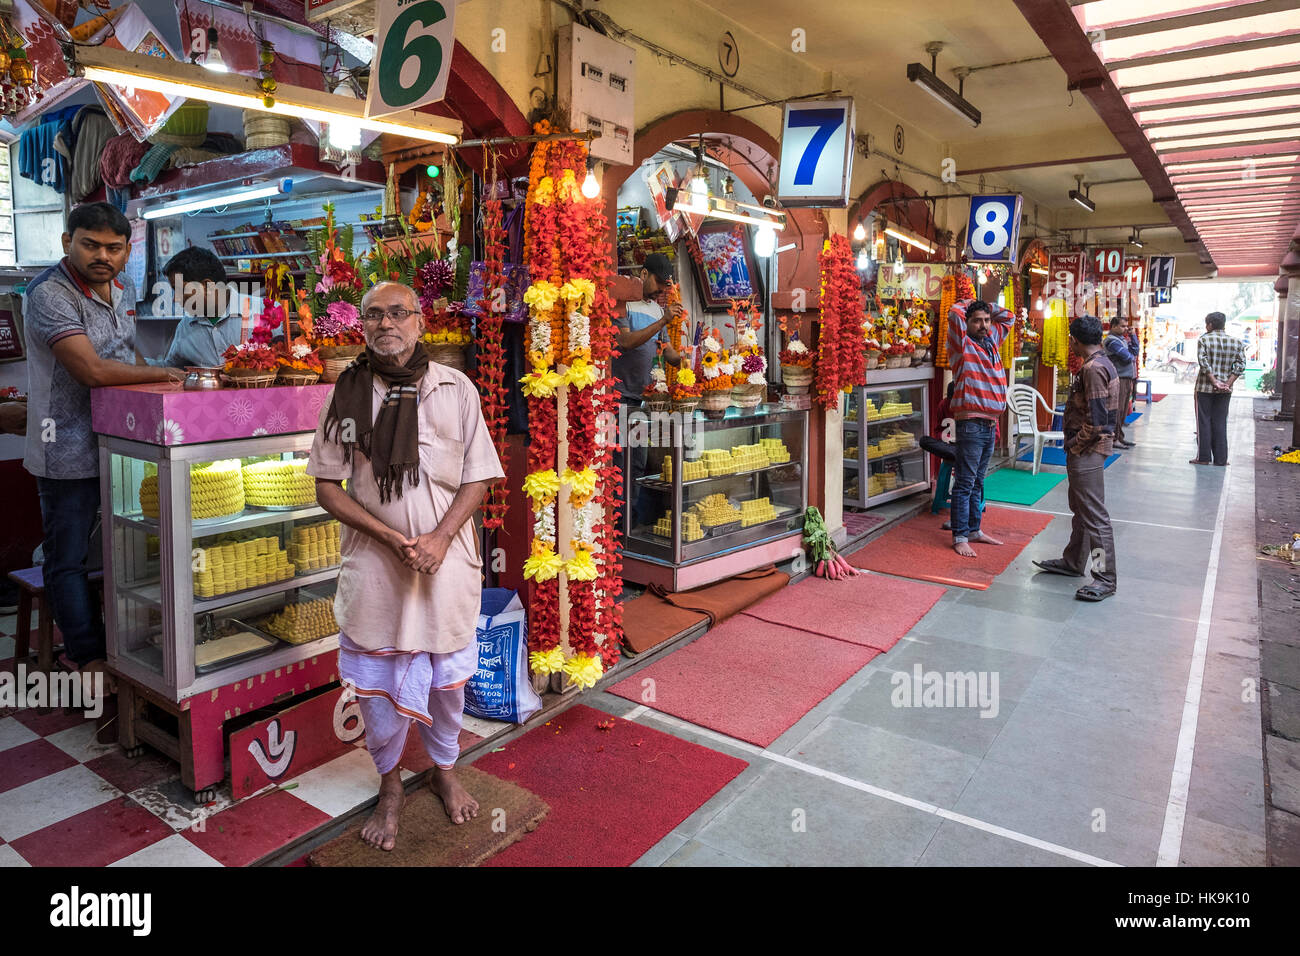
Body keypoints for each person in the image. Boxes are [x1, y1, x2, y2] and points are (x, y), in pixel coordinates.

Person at [307, 281, 504, 851]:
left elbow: (480, 474)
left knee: (447, 683)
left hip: (446, 564)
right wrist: (393, 538)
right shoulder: (347, 393)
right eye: (373, 315)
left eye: (397, 313)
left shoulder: (456, 389)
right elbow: (326, 487)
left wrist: (441, 538)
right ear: (361, 326)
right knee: (375, 684)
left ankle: (444, 768)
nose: (384, 324)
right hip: (377, 566)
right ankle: (390, 784)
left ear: (420, 322)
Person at [23, 202, 181, 675]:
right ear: (67, 241)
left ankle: (127, 644)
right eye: (90, 244)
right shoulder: (49, 294)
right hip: (64, 447)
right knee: (67, 557)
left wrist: (152, 382)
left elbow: (126, 351)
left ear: (127, 250)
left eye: (114, 248)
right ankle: (87, 655)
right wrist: (163, 375)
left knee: (125, 546)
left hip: (122, 442)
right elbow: (91, 370)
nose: (102, 256)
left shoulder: (125, 286)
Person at [1033, 316, 1119, 601]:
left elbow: (1097, 421)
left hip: (1088, 449)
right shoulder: (1102, 363)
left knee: (1094, 516)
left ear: (1074, 341)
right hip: (1091, 448)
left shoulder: (1093, 369)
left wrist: (1075, 445)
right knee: (1083, 509)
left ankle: (1104, 577)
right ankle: (1073, 561)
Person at [612, 252, 683, 529]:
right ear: (643, 274)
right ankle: (615, 530)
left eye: (666, 287)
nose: (661, 291)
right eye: (658, 283)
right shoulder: (624, 305)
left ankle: (629, 526)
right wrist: (664, 320)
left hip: (643, 402)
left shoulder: (656, 309)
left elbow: (666, 349)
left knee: (637, 466)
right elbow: (626, 342)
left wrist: (684, 357)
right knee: (618, 464)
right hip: (619, 398)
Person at [945, 298, 1014, 558]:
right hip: (971, 423)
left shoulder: (993, 342)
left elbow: (1008, 317)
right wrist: (973, 303)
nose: (984, 325)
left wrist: (987, 308)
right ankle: (960, 536)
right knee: (964, 483)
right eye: (977, 320)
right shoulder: (961, 345)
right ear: (967, 323)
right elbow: (954, 312)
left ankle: (974, 530)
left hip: (989, 422)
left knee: (977, 482)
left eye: (986, 320)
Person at [155, 247, 252, 368]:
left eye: (180, 289)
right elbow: (173, 369)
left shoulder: (264, 312)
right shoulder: (186, 326)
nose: (175, 298)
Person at [1190, 311, 1245, 467]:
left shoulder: (1204, 340)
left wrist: (1214, 381)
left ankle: (1203, 457)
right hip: (1225, 390)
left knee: (1204, 422)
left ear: (1210, 325)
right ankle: (1221, 459)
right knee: (1220, 422)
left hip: (1205, 387)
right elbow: (1241, 365)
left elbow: (1203, 362)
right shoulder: (1236, 342)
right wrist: (1227, 383)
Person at [1104, 316, 1138, 448]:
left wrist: (1133, 336)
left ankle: (1119, 436)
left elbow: (1134, 351)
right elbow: (1128, 357)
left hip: (1126, 378)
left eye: (1126, 326)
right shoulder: (1111, 341)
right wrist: (1131, 355)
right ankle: (1113, 438)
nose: (1125, 329)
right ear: (1113, 326)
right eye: (1122, 326)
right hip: (1119, 378)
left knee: (1123, 409)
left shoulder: (1122, 339)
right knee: (1116, 410)